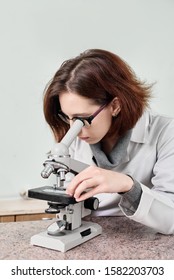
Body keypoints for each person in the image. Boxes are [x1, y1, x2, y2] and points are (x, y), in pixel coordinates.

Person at [43, 49, 174, 234]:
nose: (75, 129)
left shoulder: (166, 132)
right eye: (68, 118)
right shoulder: (74, 135)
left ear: (115, 105)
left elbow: (171, 218)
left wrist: (128, 186)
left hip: (142, 237)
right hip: (91, 233)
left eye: (83, 119)